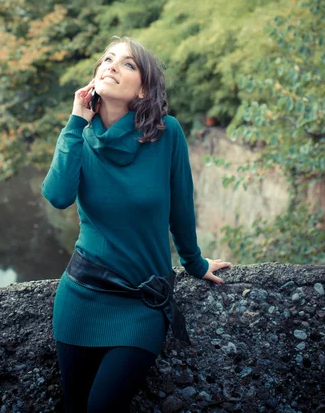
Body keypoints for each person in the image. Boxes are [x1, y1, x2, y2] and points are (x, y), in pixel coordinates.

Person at [42, 36, 232, 413]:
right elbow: (58, 196)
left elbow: (181, 208)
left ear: (143, 87)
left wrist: (195, 264)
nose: (110, 66)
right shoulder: (78, 138)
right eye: (107, 60)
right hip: (81, 296)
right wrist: (76, 121)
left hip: (142, 302)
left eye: (127, 64)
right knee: (74, 407)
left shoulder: (167, 133)